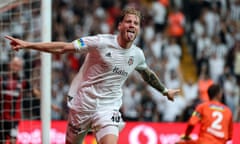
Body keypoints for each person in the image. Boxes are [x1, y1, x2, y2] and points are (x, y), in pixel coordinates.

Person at [5, 8, 180, 144]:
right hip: (82, 104)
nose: (132, 25)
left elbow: (147, 73)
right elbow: (63, 48)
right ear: (120, 25)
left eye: (136, 23)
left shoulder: (137, 55)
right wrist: (28, 45)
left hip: (108, 108)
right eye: (128, 21)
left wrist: (165, 91)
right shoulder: (101, 42)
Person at [0, 57, 25, 144]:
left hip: (15, 119)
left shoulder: (22, 81)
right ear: (9, 65)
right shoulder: (2, 79)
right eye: (14, 65)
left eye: (18, 66)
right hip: (2, 118)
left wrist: (50, 105)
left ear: (21, 68)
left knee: (13, 141)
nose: (16, 68)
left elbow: (34, 92)